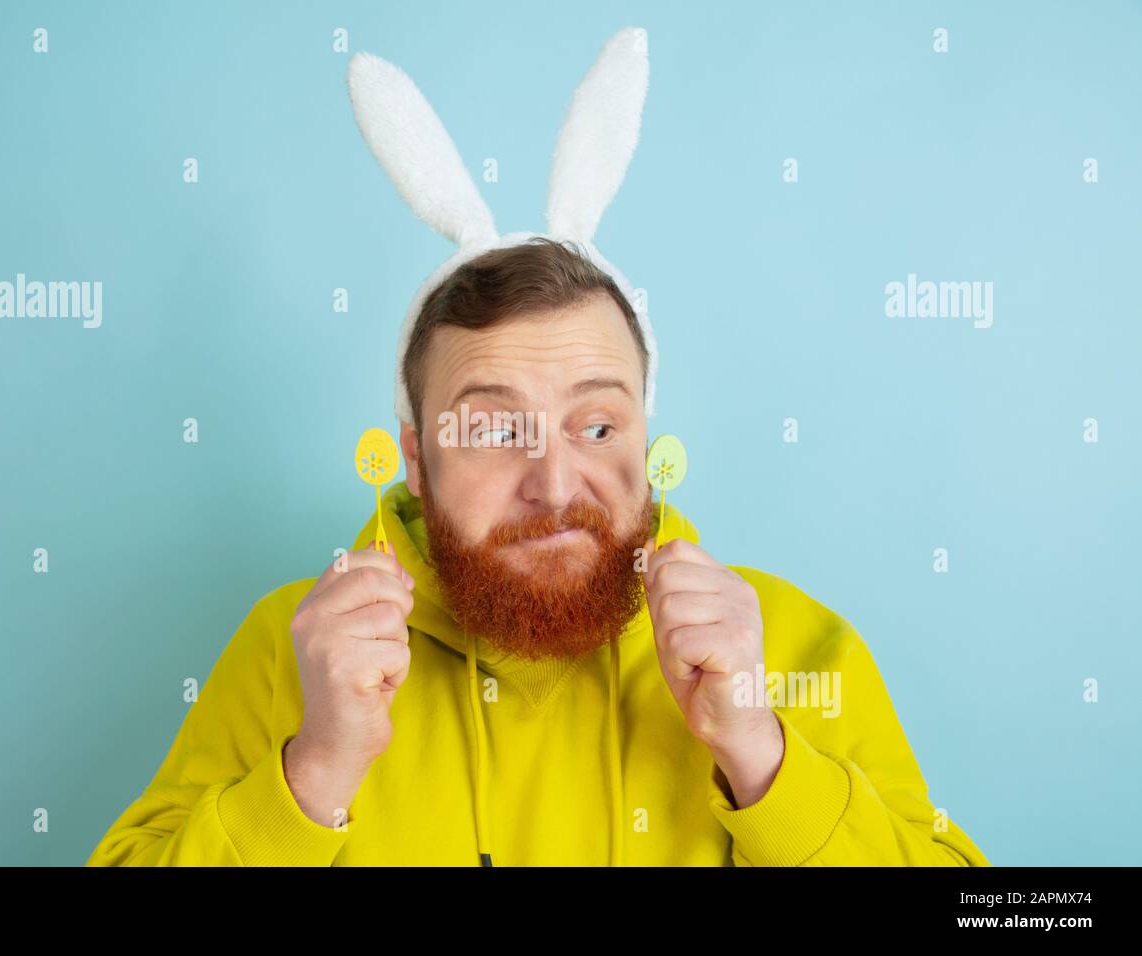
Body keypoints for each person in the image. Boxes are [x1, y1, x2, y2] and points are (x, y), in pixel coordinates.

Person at [85, 238, 990, 866]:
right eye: (491, 431)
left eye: (597, 424)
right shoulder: (295, 649)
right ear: (416, 459)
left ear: (646, 435)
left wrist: (761, 754)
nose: (554, 484)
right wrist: (313, 770)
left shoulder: (792, 648)